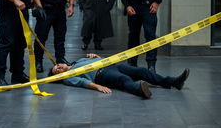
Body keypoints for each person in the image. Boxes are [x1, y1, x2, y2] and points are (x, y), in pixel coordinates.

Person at [48, 53, 190, 99]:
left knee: (141, 71)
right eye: (57, 71)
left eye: (58, 66)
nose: (59, 68)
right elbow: (82, 82)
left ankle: (172, 82)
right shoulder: (68, 77)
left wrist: (96, 56)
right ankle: (139, 90)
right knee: (123, 80)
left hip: (110, 65)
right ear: (59, 76)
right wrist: (98, 86)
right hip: (101, 74)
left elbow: (98, 60)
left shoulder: (78, 61)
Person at [119, 0, 167, 73]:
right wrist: (127, 5)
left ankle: (151, 65)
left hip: (148, 6)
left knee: (150, 35)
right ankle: (131, 64)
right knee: (133, 35)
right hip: (133, 7)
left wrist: (157, 2)